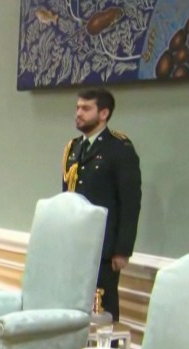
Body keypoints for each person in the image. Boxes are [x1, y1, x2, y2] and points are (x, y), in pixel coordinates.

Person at [62, 87, 141, 322]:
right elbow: (67, 197)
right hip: (75, 243)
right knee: (73, 304)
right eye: (78, 107)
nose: (78, 113)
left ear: (103, 113)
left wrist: (122, 250)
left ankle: (106, 347)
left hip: (104, 247)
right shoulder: (73, 148)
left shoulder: (119, 148)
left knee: (103, 308)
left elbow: (130, 201)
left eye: (86, 108)